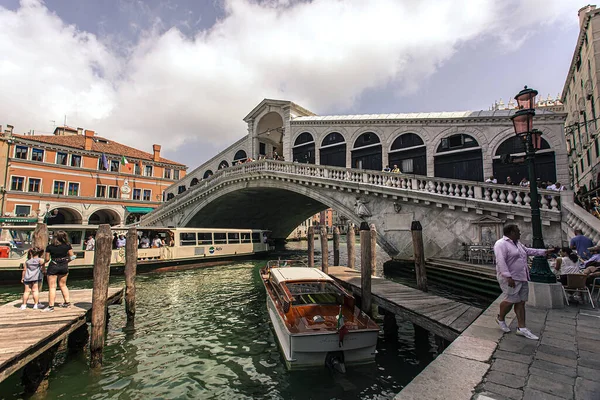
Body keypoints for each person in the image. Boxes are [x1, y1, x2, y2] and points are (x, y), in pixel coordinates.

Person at [494, 224, 553, 339]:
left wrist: (544, 252)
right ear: (511, 233)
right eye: (518, 231)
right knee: (510, 300)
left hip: (522, 276)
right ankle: (500, 318)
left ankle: (522, 328)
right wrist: (508, 277)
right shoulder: (501, 244)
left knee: (521, 302)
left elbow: (528, 251)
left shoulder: (518, 244)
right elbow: (500, 261)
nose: (520, 233)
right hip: (511, 277)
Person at [44, 230, 74, 312]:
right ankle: (67, 302)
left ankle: (51, 306)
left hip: (53, 265)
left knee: (52, 287)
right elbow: (73, 256)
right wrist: (66, 261)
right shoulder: (68, 246)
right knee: (63, 285)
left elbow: (47, 259)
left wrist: (42, 264)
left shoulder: (50, 247)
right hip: (64, 266)